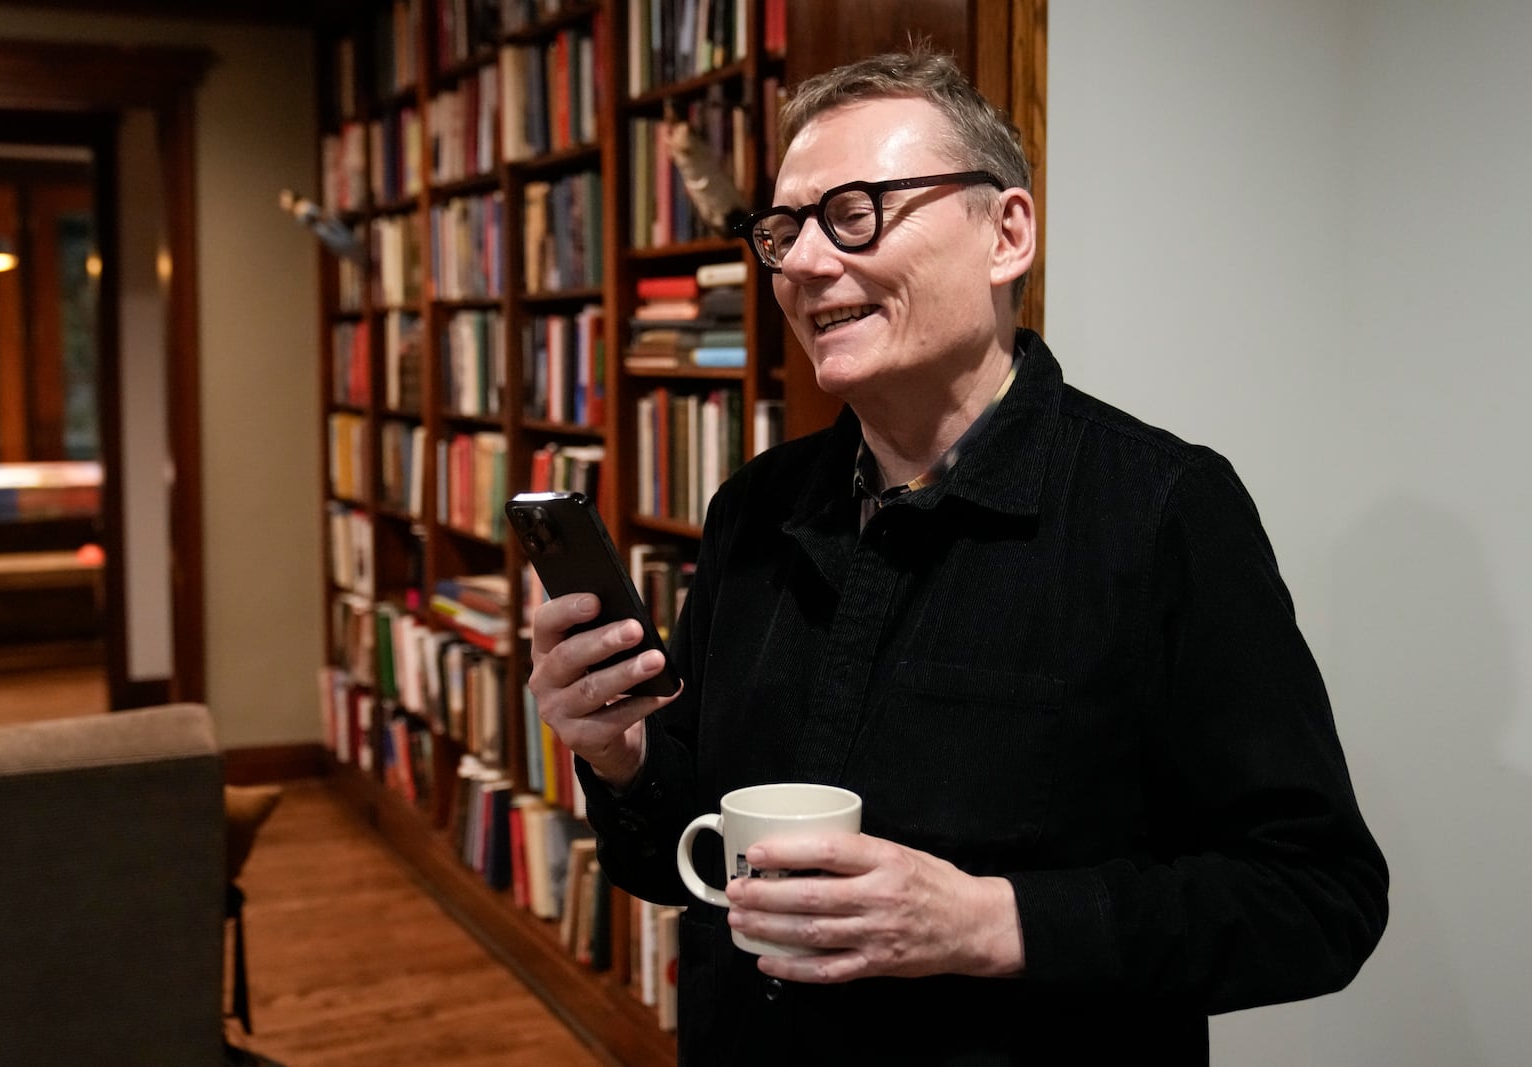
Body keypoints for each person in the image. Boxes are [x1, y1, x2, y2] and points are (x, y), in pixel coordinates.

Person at [529, 48, 1388, 1065]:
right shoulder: (752, 508)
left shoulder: (1160, 511)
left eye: (854, 212)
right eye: (784, 228)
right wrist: (615, 753)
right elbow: (678, 864)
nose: (801, 263)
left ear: (1006, 232)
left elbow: (1315, 897)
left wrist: (988, 920)